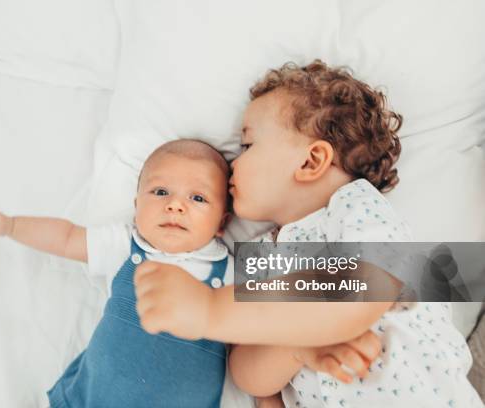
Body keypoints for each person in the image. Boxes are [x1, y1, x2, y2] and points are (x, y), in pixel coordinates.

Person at [133, 61, 482, 407]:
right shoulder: (256, 254)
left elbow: (370, 285)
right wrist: (295, 348)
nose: (232, 165)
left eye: (248, 147)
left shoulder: (355, 205)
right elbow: (249, 376)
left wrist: (211, 310)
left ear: (311, 161)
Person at [0, 138, 381, 408]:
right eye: (160, 192)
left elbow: (259, 349)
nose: (175, 206)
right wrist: (11, 225)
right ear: (136, 204)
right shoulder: (126, 246)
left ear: (221, 223)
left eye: (197, 197)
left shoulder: (238, 268)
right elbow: (65, 238)